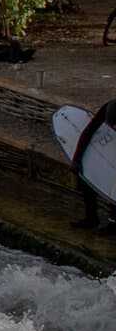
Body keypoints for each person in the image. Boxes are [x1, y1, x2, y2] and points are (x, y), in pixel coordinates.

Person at [70, 97, 116, 235]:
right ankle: (91, 218)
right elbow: (88, 132)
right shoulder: (109, 107)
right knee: (86, 172)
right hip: (108, 147)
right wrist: (76, 159)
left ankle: (113, 223)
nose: (113, 128)